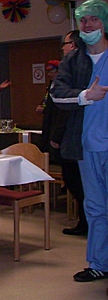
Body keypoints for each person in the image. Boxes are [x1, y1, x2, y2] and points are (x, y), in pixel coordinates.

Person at [51, 0, 108, 283]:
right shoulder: (73, 60)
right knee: (95, 207)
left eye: (93, 19)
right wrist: (85, 96)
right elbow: (56, 94)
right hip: (87, 147)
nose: (87, 25)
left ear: (104, 23)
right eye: (83, 20)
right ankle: (99, 263)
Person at [52, 30, 87, 236]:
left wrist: (57, 136)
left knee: (77, 182)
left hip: (74, 138)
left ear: (73, 45)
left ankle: (86, 223)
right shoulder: (68, 70)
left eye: (65, 44)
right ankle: (85, 222)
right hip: (69, 137)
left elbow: (65, 112)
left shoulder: (77, 69)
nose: (63, 48)